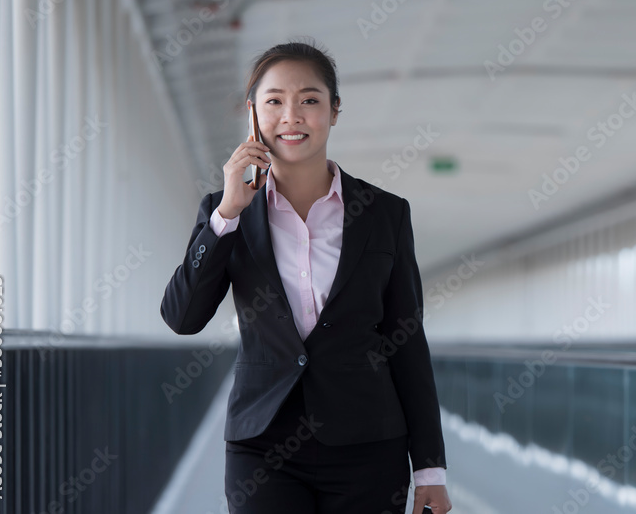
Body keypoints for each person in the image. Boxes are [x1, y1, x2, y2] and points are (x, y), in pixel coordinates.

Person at [160, 40, 452, 513]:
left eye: (310, 100)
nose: (291, 116)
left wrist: (430, 470)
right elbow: (182, 317)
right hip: (263, 446)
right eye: (274, 101)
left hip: (369, 446)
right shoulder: (224, 211)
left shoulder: (384, 214)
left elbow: (407, 342)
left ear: (334, 111)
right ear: (253, 113)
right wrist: (229, 213)